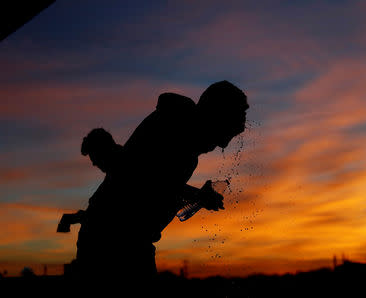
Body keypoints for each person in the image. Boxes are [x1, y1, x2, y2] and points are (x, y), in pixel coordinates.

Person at [58, 80, 249, 286]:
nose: (225, 142)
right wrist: (197, 195)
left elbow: (155, 182)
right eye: (228, 131)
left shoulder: (181, 134)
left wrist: (196, 196)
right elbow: (143, 179)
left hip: (127, 241)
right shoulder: (173, 126)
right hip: (113, 243)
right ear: (215, 115)